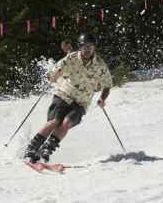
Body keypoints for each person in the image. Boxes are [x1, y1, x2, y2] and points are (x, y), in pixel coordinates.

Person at [23, 33, 113, 163]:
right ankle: (31, 148)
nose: (87, 49)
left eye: (90, 46)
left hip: (82, 102)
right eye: (84, 46)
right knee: (54, 121)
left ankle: (47, 149)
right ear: (80, 47)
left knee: (66, 123)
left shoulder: (100, 65)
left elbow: (107, 84)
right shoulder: (71, 58)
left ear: (94, 48)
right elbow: (55, 70)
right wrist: (52, 76)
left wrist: (102, 99)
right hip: (64, 94)